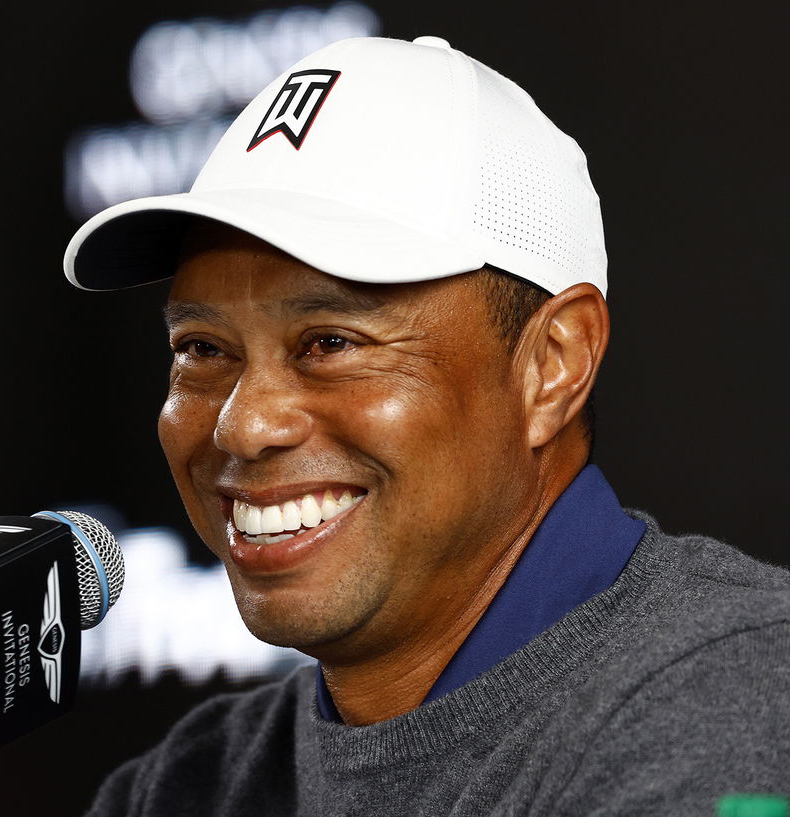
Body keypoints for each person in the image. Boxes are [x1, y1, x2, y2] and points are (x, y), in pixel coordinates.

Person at [62, 36, 790, 815]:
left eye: (330, 342)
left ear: (553, 363)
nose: (244, 426)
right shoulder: (183, 786)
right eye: (202, 349)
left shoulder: (734, 694)